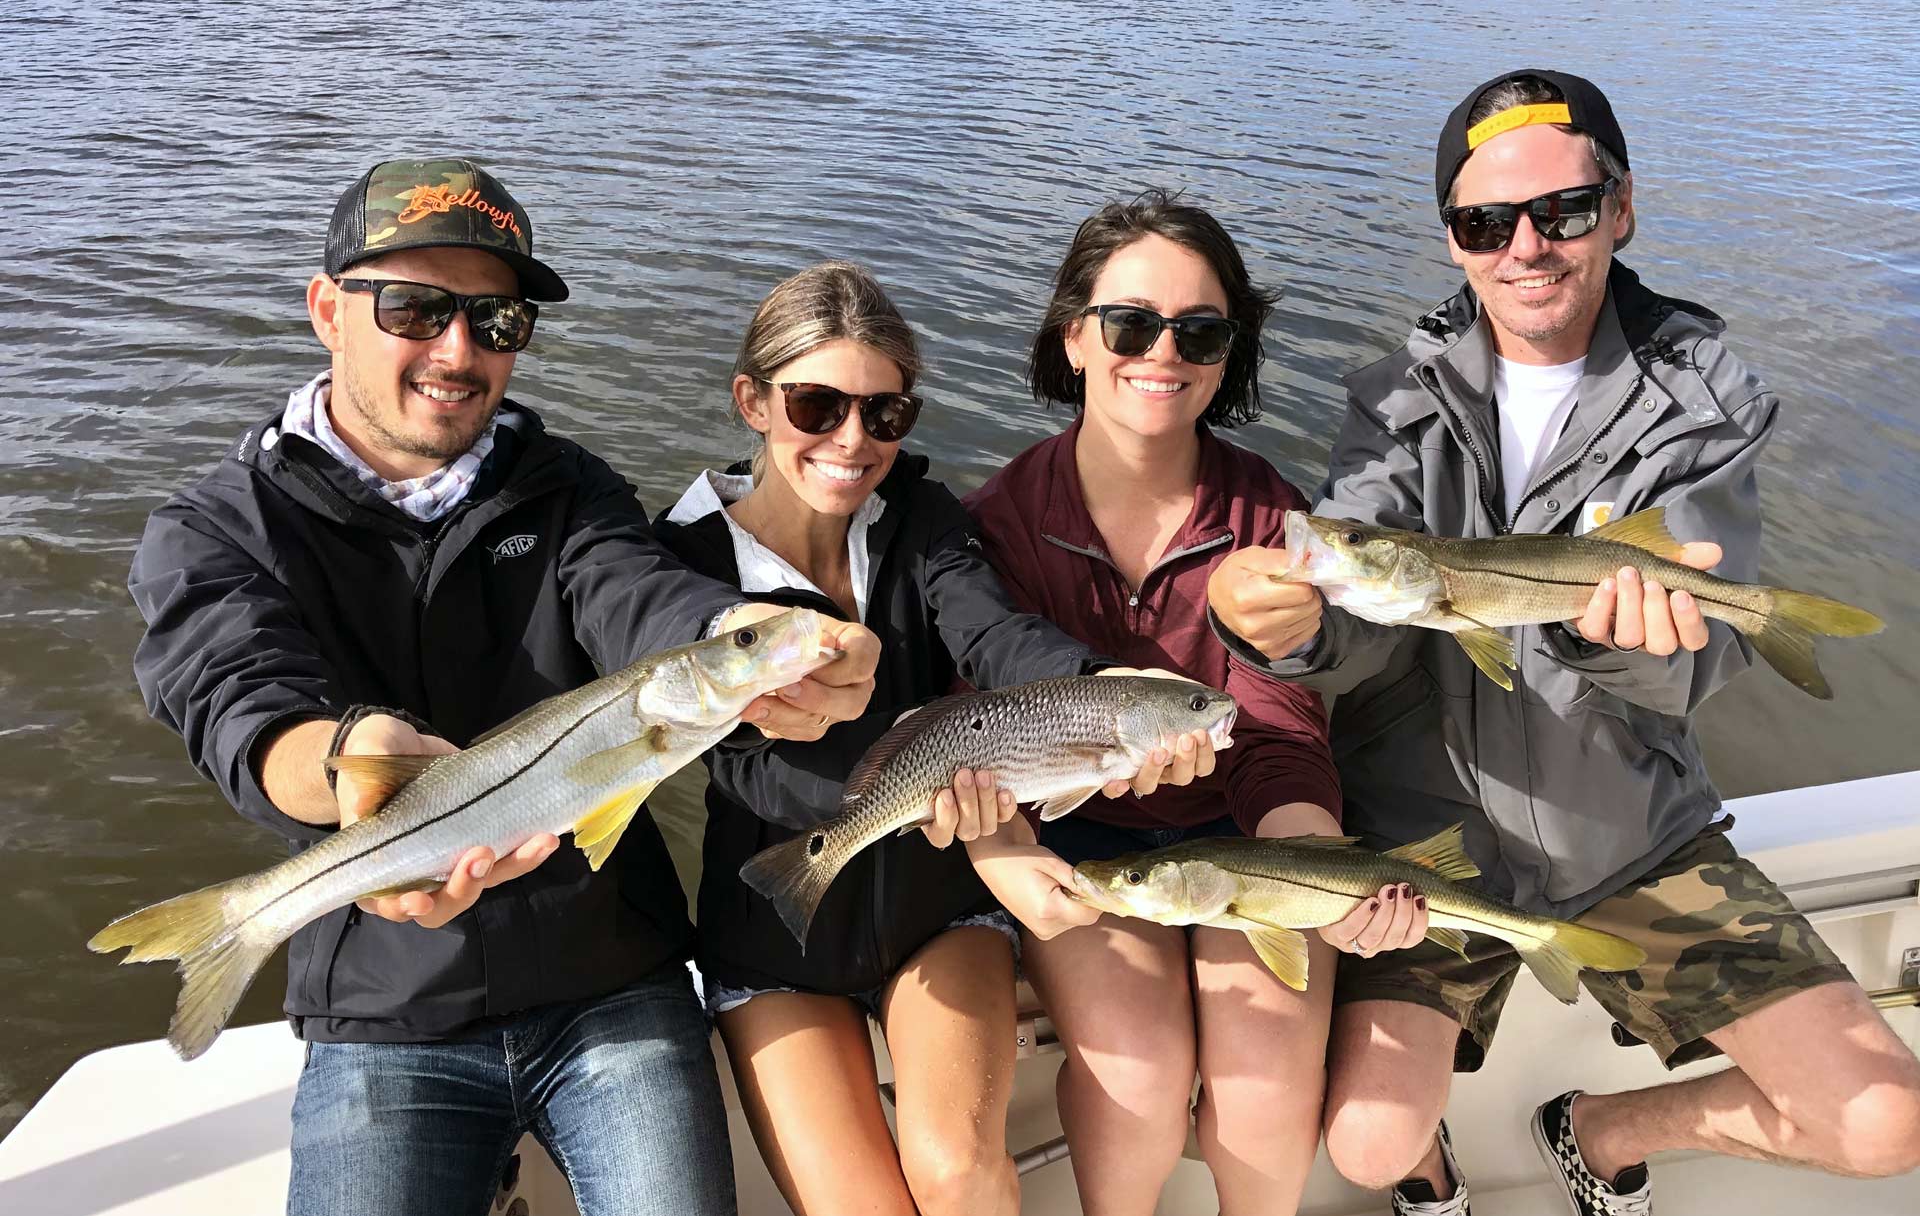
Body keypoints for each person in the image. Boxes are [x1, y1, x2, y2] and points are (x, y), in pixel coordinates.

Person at [1207, 72, 1920, 1215]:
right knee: (1371, 1143)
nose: (1526, 246)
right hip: (1432, 847)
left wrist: (1622, 646)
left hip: (1637, 839)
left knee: (1887, 1122)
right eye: (1487, 222)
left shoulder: (1706, 401)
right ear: (1453, 239)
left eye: (1564, 212)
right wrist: (1285, 632)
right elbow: (1370, 620)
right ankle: (1436, 1153)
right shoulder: (1393, 401)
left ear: (1620, 208)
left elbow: (1691, 670)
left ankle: (1603, 1128)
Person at [125, 158, 883, 1216]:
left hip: (613, 984)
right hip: (382, 1010)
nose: (458, 350)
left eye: (496, 320)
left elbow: (637, 594)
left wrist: (739, 635)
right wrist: (350, 763)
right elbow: (233, 697)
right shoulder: (215, 529)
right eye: (417, 309)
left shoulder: (568, 487)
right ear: (325, 311)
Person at [653, 260, 1216, 1216]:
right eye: (817, 405)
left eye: (885, 413)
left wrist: (1102, 693)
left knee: (958, 1174)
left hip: (937, 908)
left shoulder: (922, 518)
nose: (852, 440)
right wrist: (912, 788)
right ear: (753, 400)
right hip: (775, 930)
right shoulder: (676, 568)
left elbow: (995, 635)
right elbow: (746, 767)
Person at [962, 191, 1393, 1216]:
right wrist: (1002, 851)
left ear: (1227, 353)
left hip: (1246, 829)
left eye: (1199, 330)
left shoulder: (1271, 517)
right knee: (1140, 1078)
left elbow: (1281, 719)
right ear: (1074, 337)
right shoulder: (994, 523)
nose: (1163, 351)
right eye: (1129, 323)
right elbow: (973, 727)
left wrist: (1312, 867)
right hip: (1078, 840)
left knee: (1264, 1086)